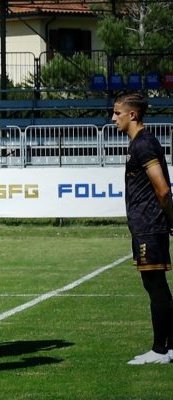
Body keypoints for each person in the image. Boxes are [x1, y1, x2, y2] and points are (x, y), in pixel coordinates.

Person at [112, 93, 173, 365]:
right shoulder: (139, 143)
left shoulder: (143, 145)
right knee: (157, 287)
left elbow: (162, 189)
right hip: (146, 225)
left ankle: (160, 350)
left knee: (155, 287)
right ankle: (168, 347)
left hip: (149, 226)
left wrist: (169, 219)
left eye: (117, 113)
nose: (113, 118)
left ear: (132, 115)